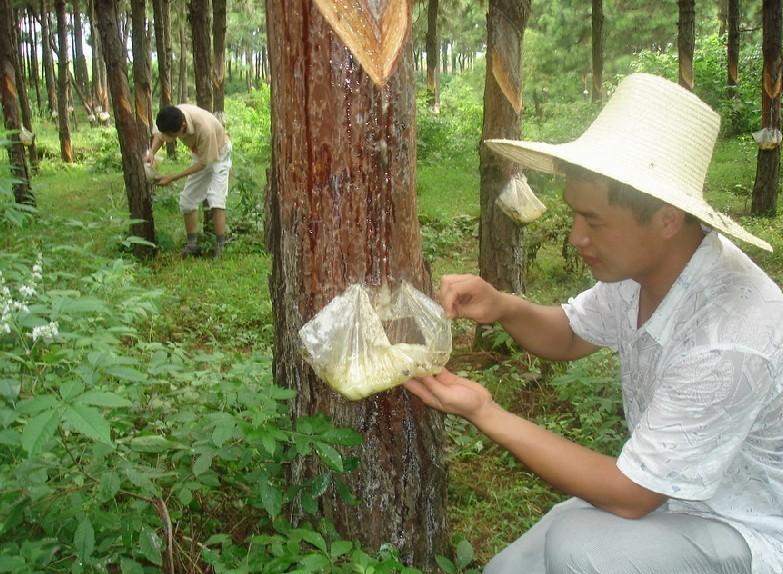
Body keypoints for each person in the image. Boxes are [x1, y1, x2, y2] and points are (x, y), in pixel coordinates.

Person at [405, 73, 782, 574]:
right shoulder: (648, 267)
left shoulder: (730, 337)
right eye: (575, 215)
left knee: (583, 548)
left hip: (746, 530)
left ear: (667, 218)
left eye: (595, 221)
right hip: (674, 498)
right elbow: (569, 333)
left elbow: (630, 497)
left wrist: (485, 411)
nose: (578, 237)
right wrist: (503, 306)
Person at [144, 104, 232, 257]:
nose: (169, 139)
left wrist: (173, 177)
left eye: (172, 136)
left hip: (220, 153)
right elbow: (160, 135)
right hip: (201, 153)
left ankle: (220, 246)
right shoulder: (170, 116)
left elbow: (204, 164)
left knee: (216, 199)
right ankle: (192, 245)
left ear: (183, 126)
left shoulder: (204, 129)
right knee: (187, 200)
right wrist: (151, 152)